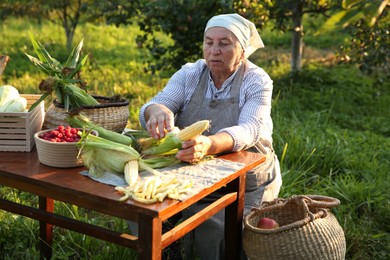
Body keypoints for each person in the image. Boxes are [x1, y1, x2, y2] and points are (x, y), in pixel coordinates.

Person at [139, 13, 282, 260]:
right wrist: (157, 112)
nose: (214, 50)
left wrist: (209, 144)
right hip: (195, 171)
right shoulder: (190, 74)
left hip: (246, 179)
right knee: (144, 210)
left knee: (216, 233)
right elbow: (157, 103)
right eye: (209, 42)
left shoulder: (257, 80)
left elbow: (249, 129)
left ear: (243, 50)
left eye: (224, 43)